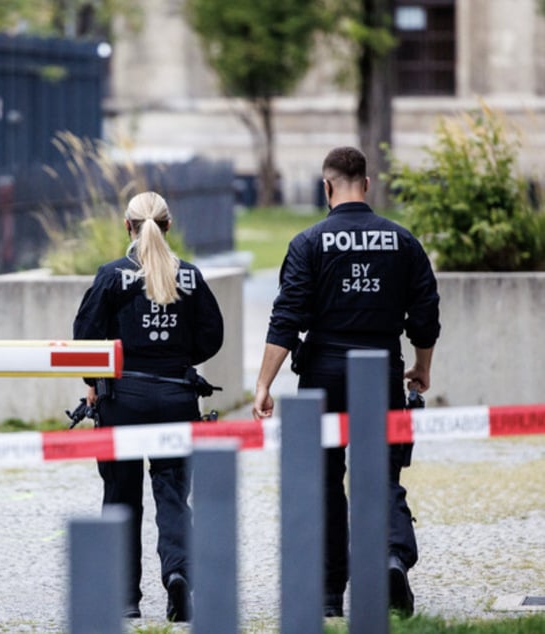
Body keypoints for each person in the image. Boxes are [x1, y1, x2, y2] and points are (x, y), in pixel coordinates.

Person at [252, 146, 440, 618]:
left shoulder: (308, 242)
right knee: (383, 474)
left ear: (327, 186)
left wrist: (263, 384)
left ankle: (330, 593)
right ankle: (393, 557)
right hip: (381, 367)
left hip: (323, 374)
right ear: (368, 185)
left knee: (324, 480)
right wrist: (422, 366)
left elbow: (287, 318)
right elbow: (425, 314)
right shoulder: (402, 241)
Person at [72, 191, 224, 622]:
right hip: (177, 396)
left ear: (128, 227)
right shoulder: (190, 277)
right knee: (173, 494)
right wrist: (177, 360)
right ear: (168, 227)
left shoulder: (110, 276)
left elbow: (85, 339)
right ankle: (178, 577)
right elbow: (212, 337)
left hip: (121, 400)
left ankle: (125, 599)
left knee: (121, 497)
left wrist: (94, 382)